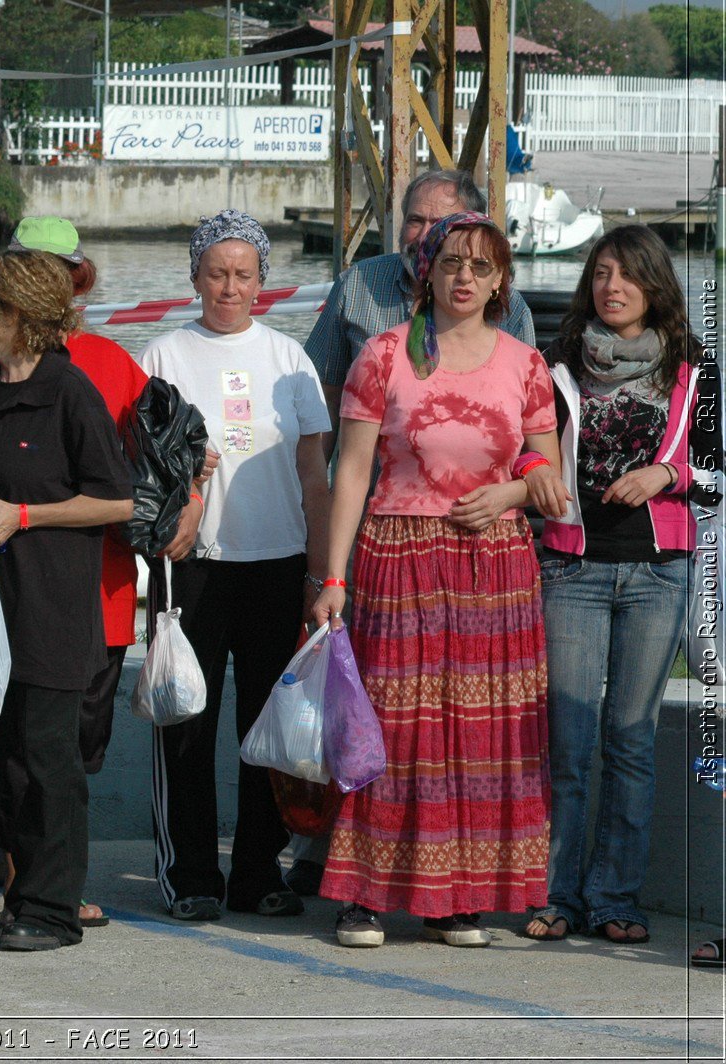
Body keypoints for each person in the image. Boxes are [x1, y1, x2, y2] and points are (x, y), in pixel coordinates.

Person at [310, 211, 560, 949]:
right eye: (452, 262)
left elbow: (548, 473)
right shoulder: (385, 356)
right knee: (392, 728)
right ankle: (363, 896)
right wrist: (332, 576)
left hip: (497, 562)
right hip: (399, 554)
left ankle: (459, 899)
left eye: (481, 267)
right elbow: (351, 471)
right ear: (428, 271)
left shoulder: (525, 363)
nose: (464, 277)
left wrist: (512, 493)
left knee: (480, 735)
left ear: (499, 283)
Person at [0, 250, 134, 952]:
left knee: (45, 761)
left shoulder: (71, 393)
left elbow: (116, 499)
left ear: (15, 314)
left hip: (51, 606)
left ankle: (48, 907)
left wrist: (27, 516)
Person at [522, 225, 717, 947]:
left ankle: (616, 899)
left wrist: (669, 475)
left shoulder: (695, 371)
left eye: (628, 275)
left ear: (654, 285)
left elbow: (719, 472)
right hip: (570, 567)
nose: (612, 287)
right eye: (601, 274)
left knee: (630, 740)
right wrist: (530, 475)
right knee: (568, 744)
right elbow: (525, 449)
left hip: (657, 572)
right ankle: (558, 895)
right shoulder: (558, 364)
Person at [135, 210, 332, 922]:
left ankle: (256, 872)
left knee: (268, 727)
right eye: (216, 272)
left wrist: (321, 569)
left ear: (263, 283)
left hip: (278, 564)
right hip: (192, 566)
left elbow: (316, 476)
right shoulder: (161, 357)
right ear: (194, 277)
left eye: (243, 274)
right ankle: (188, 874)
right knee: (185, 721)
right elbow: (139, 470)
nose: (229, 286)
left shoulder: (290, 361)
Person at [0, 215, 149, 929]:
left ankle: (57, 877)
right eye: (32, 268)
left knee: (73, 752)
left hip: (100, 594)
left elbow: (158, 467)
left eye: (60, 271)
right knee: (9, 743)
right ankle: (16, 876)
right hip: (11, 593)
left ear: (77, 281)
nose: (48, 283)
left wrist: (193, 485)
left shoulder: (113, 362)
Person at [303, 170, 536, 436]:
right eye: (415, 221)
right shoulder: (357, 285)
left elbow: (528, 412)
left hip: (484, 475)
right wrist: (315, 475)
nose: (425, 235)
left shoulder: (508, 307)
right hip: (374, 473)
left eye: (441, 224)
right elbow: (324, 396)